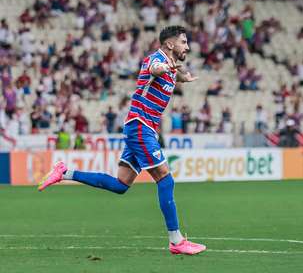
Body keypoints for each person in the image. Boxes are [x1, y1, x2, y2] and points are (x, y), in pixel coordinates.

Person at [38, 26, 206, 255]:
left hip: (142, 128)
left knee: (120, 185)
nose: (187, 46)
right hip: (140, 126)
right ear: (169, 44)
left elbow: (168, 75)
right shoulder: (155, 60)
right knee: (165, 179)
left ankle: (65, 172)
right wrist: (169, 68)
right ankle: (176, 241)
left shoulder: (172, 67)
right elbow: (155, 70)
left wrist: (182, 77)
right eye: (183, 42)